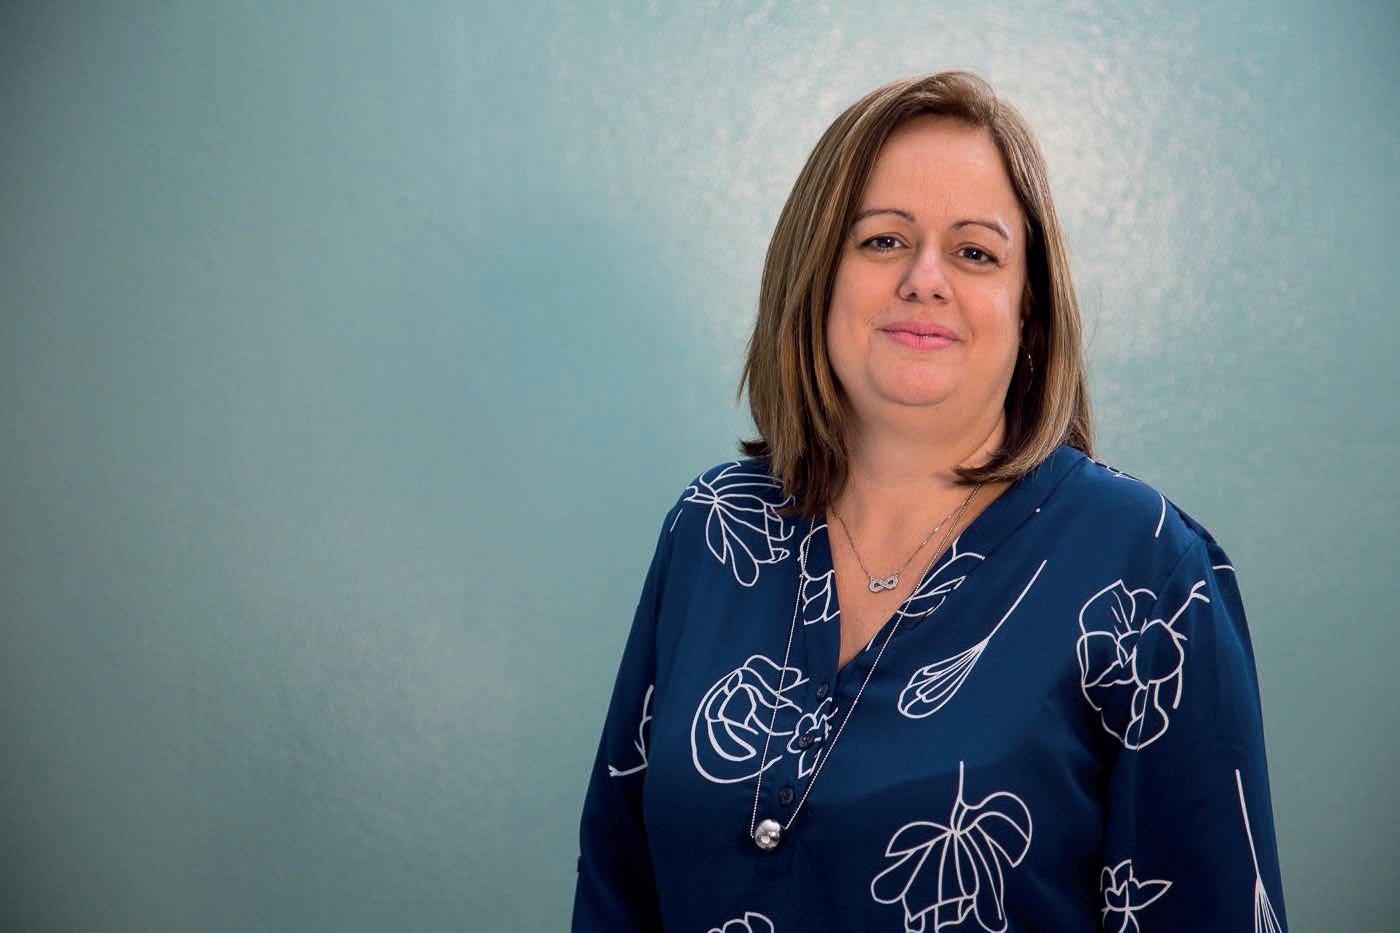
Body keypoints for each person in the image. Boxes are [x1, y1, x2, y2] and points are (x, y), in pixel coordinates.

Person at [572, 70, 1286, 932]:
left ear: (1029, 310)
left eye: (976, 253)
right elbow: (614, 885)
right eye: (882, 240)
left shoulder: (1150, 567)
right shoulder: (712, 529)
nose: (925, 278)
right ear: (816, 274)